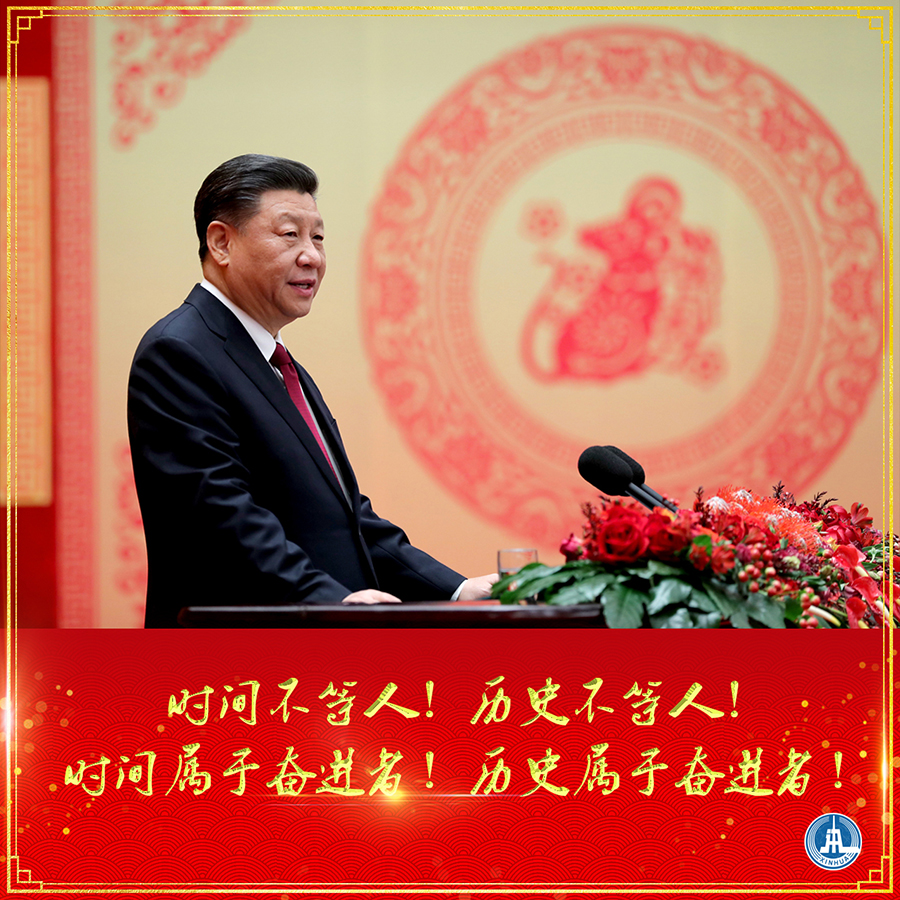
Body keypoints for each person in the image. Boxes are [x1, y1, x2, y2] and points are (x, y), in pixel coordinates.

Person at [128, 154, 496, 627]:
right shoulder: (180, 352)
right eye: (290, 235)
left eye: (318, 237)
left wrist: (457, 590)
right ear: (221, 243)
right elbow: (221, 516)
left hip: (317, 647)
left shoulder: (278, 365)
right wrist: (329, 600)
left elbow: (346, 520)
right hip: (237, 658)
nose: (312, 257)